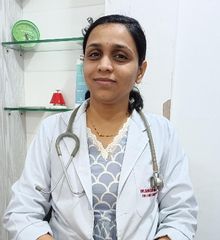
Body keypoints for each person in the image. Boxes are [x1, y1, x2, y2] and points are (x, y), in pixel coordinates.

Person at [3, 14, 198, 240]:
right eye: (94, 54)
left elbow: (181, 214)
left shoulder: (162, 133)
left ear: (141, 71)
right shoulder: (52, 130)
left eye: (120, 56)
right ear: (84, 61)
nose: (104, 65)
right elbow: (22, 212)